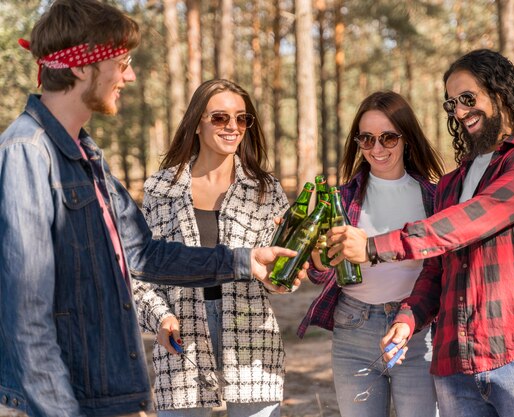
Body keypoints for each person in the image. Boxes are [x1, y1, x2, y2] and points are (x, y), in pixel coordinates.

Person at [0, 2, 303, 416]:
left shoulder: (88, 157)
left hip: (105, 392)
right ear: (82, 67)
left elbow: (144, 254)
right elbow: (25, 315)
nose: (130, 75)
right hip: (67, 399)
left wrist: (245, 260)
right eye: (121, 63)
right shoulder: (27, 153)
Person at [328, 49, 514, 417]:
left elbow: (476, 217)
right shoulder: (452, 183)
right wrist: (407, 318)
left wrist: (375, 246)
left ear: (501, 92)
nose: (459, 112)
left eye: (467, 98)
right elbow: (436, 269)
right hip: (454, 367)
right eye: (451, 104)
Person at [133, 79, 289, 417]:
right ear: (197, 123)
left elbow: (284, 268)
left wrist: (284, 277)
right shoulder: (161, 189)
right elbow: (140, 269)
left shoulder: (266, 190)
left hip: (253, 338)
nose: (232, 127)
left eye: (242, 118)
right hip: (182, 335)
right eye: (220, 117)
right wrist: (160, 317)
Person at [298, 91, 445, 417]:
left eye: (388, 138)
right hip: (354, 329)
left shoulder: (432, 197)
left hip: (415, 332)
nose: (377, 149)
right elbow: (320, 273)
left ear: (407, 138)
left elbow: (440, 269)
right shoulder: (341, 197)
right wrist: (320, 260)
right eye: (366, 139)